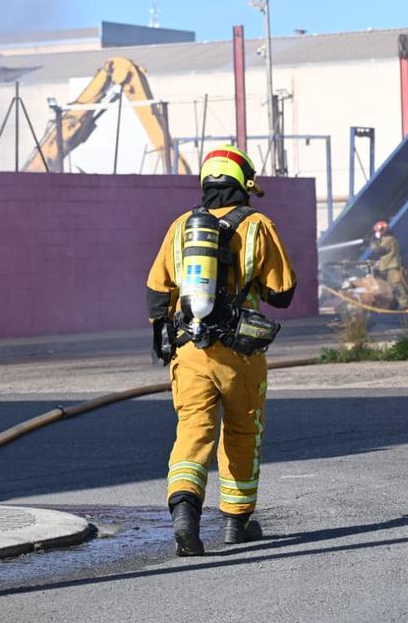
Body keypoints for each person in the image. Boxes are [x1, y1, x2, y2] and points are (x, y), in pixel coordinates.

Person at [146, 145, 297, 556]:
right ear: (244, 184)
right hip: (240, 351)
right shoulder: (258, 225)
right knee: (243, 431)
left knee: (193, 430)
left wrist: (162, 335)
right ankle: (236, 523)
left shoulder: (181, 226)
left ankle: (184, 514)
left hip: (190, 349)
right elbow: (282, 293)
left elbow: (157, 290)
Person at [367, 220, 408, 310]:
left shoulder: (389, 239)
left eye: (377, 231)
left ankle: (405, 303)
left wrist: (373, 242)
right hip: (387, 266)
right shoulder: (386, 239)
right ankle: (396, 304)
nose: (377, 233)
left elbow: (380, 250)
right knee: (391, 288)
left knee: (396, 285)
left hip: (392, 266)